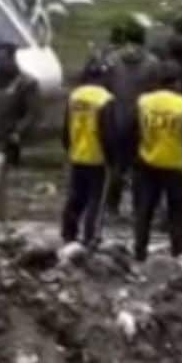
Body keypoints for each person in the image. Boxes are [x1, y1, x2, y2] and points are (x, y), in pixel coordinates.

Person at [125, 60, 182, 262]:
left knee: (144, 212)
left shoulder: (143, 101)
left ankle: (140, 253)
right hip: (176, 164)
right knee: (177, 213)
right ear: (177, 82)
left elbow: (131, 130)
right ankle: (178, 253)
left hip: (146, 163)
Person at [104, 21, 160, 220]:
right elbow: (155, 92)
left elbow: (106, 89)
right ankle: (139, 208)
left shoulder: (112, 60)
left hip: (116, 117)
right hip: (141, 119)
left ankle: (112, 206)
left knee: (116, 166)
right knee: (141, 166)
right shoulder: (152, 63)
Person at [0, 43, 41, 221]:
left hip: (7, 140)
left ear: (12, 59)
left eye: (2, 59)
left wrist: (19, 131)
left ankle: (0, 220)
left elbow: (33, 113)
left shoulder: (26, 83)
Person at [60, 60, 117, 246]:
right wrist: (111, 157)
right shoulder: (105, 99)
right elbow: (107, 132)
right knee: (96, 200)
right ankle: (90, 236)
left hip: (77, 154)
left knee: (76, 195)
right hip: (97, 157)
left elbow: (66, 127)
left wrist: (69, 147)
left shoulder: (75, 96)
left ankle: (68, 232)